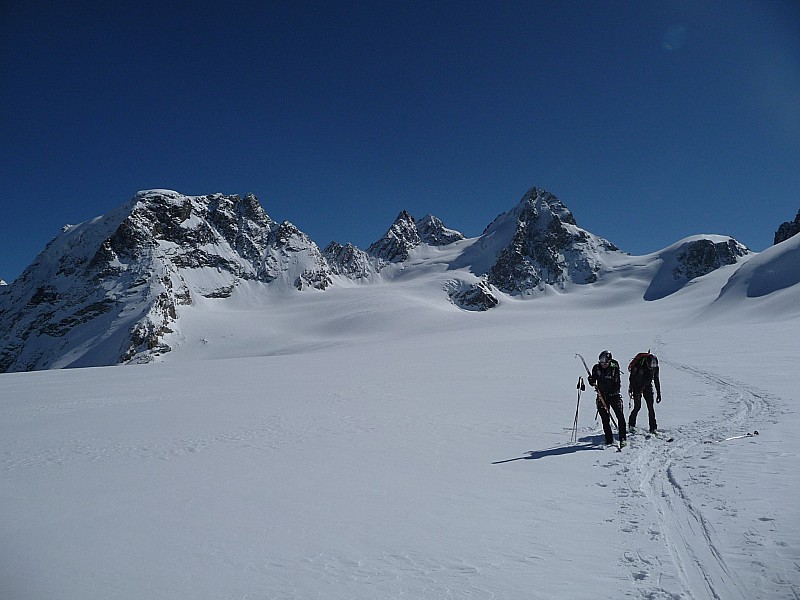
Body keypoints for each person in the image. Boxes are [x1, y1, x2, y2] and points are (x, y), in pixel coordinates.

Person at [588, 350, 627, 447]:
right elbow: (594, 381)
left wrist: (612, 393)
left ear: (609, 362)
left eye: (605, 363)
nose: (603, 365)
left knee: (620, 416)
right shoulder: (596, 368)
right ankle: (608, 439)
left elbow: (617, 383)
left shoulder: (614, 368)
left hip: (614, 396)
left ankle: (623, 437)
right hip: (602, 396)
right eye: (601, 363)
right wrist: (591, 381)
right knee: (605, 419)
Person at [628, 352, 662, 434]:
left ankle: (653, 428)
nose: (652, 368)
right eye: (651, 366)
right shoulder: (639, 366)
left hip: (647, 386)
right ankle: (631, 425)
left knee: (650, 407)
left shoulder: (655, 368)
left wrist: (658, 393)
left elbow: (656, 379)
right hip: (637, 386)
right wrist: (632, 389)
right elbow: (632, 378)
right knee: (637, 406)